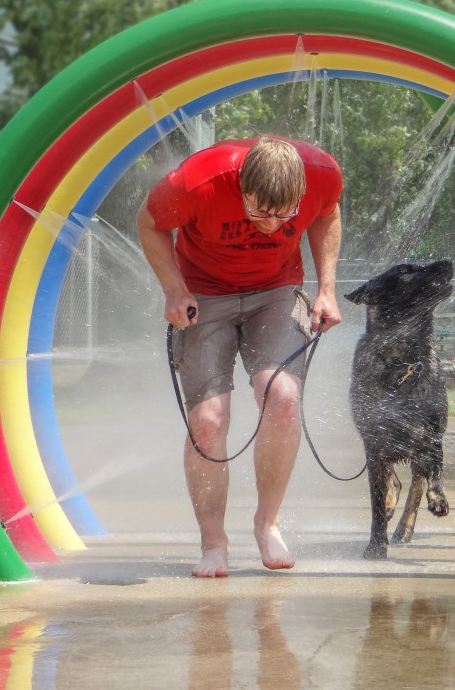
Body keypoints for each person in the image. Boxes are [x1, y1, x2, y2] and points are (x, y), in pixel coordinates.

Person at [137, 135, 343, 577]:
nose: (270, 225)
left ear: (300, 193)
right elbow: (150, 223)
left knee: (283, 397)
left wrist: (326, 290)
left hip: (275, 291)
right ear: (240, 187)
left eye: (283, 214)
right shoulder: (196, 183)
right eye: (257, 212)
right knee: (208, 422)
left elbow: (327, 215)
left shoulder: (322, 174)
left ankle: (267, 524)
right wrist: (174, 289)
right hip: (203, 295)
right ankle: (213, 544)